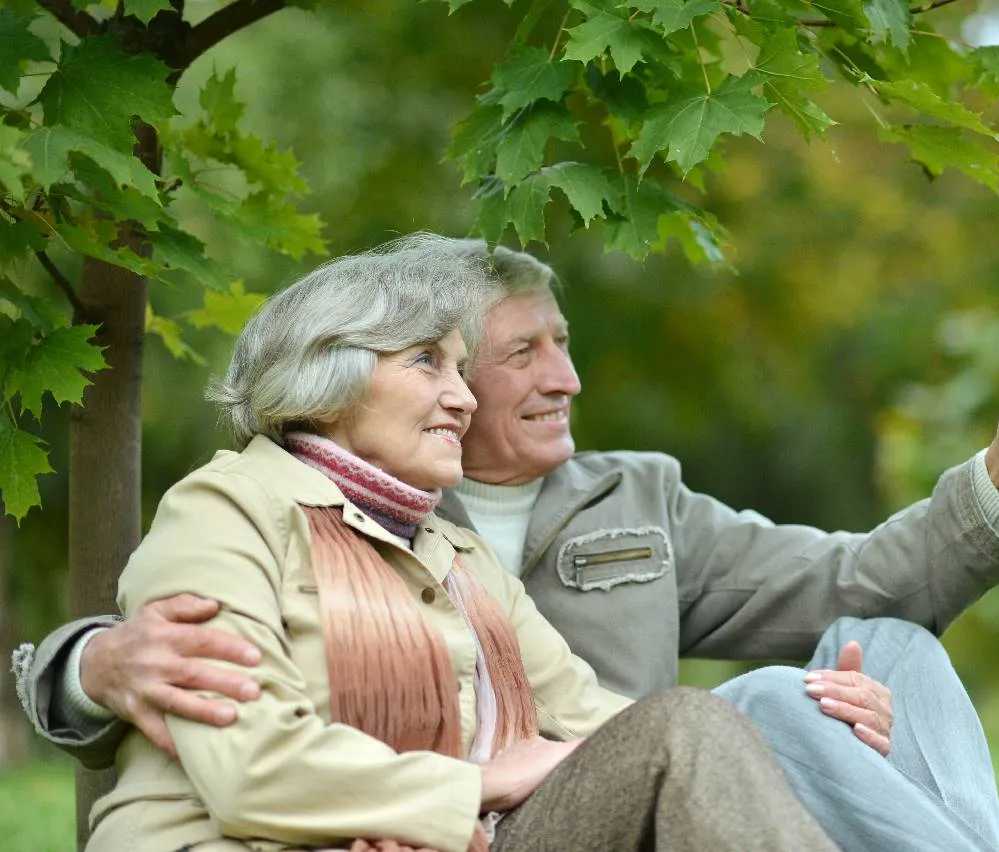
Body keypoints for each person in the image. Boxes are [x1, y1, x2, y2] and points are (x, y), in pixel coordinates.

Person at [13, 239, 999, 850]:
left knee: (864, 659)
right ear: (333, 374)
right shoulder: (246, 509)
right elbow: (230, 738)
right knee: (717, 723)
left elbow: (835, 591)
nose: (563, 378)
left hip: (576, 811)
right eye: (455, 365)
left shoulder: (534, 525)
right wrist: (82, 661)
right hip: (445, 824)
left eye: (557, 345)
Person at [57, 233, 836, 851]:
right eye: (428, 362)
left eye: (463, 369)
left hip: (450, 838)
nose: (463, 399)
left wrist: (800, 723)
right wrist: (473, 784)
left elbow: (599, 716)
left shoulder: (451, 550)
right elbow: (249, 768)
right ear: (331, 376)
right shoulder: (225, 509)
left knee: (685, 729)